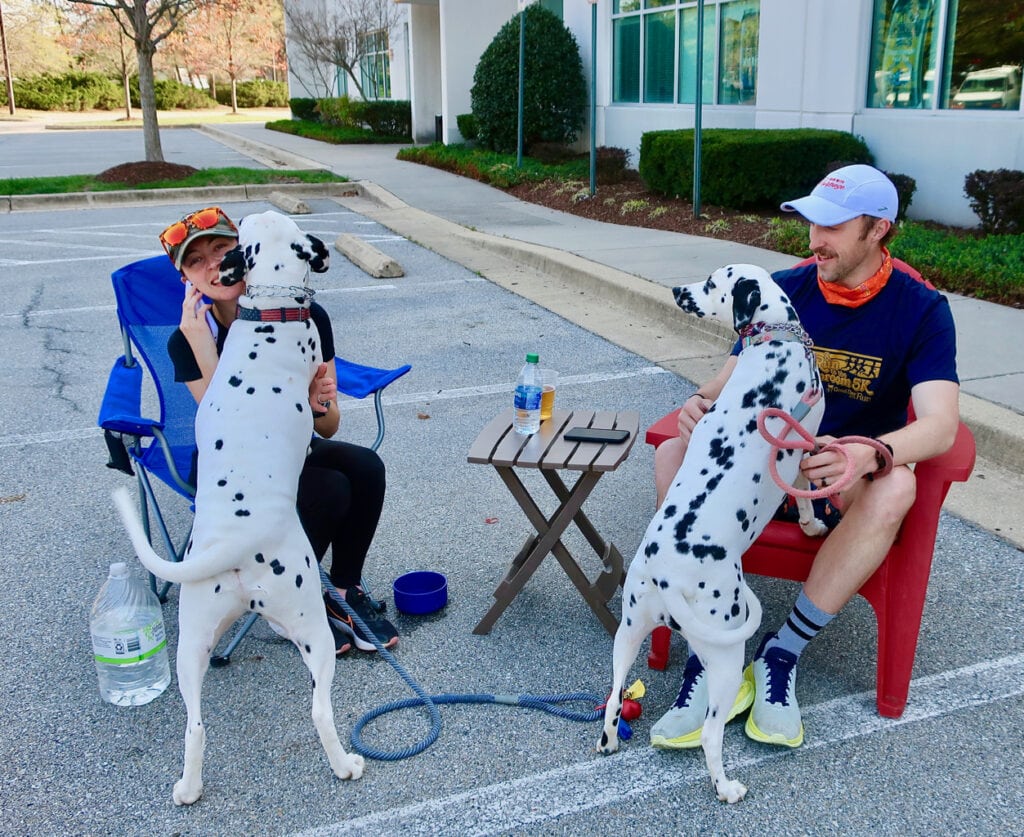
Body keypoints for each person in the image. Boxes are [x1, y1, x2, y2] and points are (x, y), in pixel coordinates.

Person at [649, 165, 960, 749]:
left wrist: (871, 453)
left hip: (836, 480)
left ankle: (780, 654)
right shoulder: (785, 288)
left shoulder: (921, 310)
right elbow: (735, 370)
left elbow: (942, 426)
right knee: (673, 453)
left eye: (834, 226)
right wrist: (699, 403)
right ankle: (710, 646)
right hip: (761, 470)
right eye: (813, 221)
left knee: (898, 486)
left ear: (877, 230)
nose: (815, 238)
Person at [158, 206, 399, 657]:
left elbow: (329, 425)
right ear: (186, 279)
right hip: (232, 470)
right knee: (327, 488)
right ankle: (283, 595)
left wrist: (315, 401)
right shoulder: (187, 338)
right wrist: (200, 345)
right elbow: (224, 423)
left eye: (220, 249)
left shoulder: (306, 318)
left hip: (290, 449)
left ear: (246, 253)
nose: (212, 265)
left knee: (364, 467)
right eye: (195, 261)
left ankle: (342, 591)